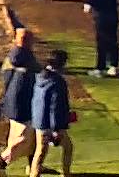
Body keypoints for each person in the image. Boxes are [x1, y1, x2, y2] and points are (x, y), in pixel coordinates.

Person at [0, 29, 41, 176]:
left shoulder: (15, 56)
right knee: (23, 139)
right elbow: (34, 74)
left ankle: (34, 166)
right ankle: (0, 163)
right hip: (21, 106)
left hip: (13, 104)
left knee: (31, 139)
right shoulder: (22, 57)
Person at [29, 49, 73, 177]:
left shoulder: (39, 77)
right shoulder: (58, 82)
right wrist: (56, 129)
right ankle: (66, 173)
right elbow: (55, 107)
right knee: (67, 148)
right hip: (51, 124)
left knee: (40, 151)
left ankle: (34, 174)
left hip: (38, 120)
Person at [84, 0, 119, 77]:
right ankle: (114, 66)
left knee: (102, 43)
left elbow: (93, 1)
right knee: (113, 41)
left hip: (101, 17)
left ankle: (100, 67)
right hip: (113, 16)